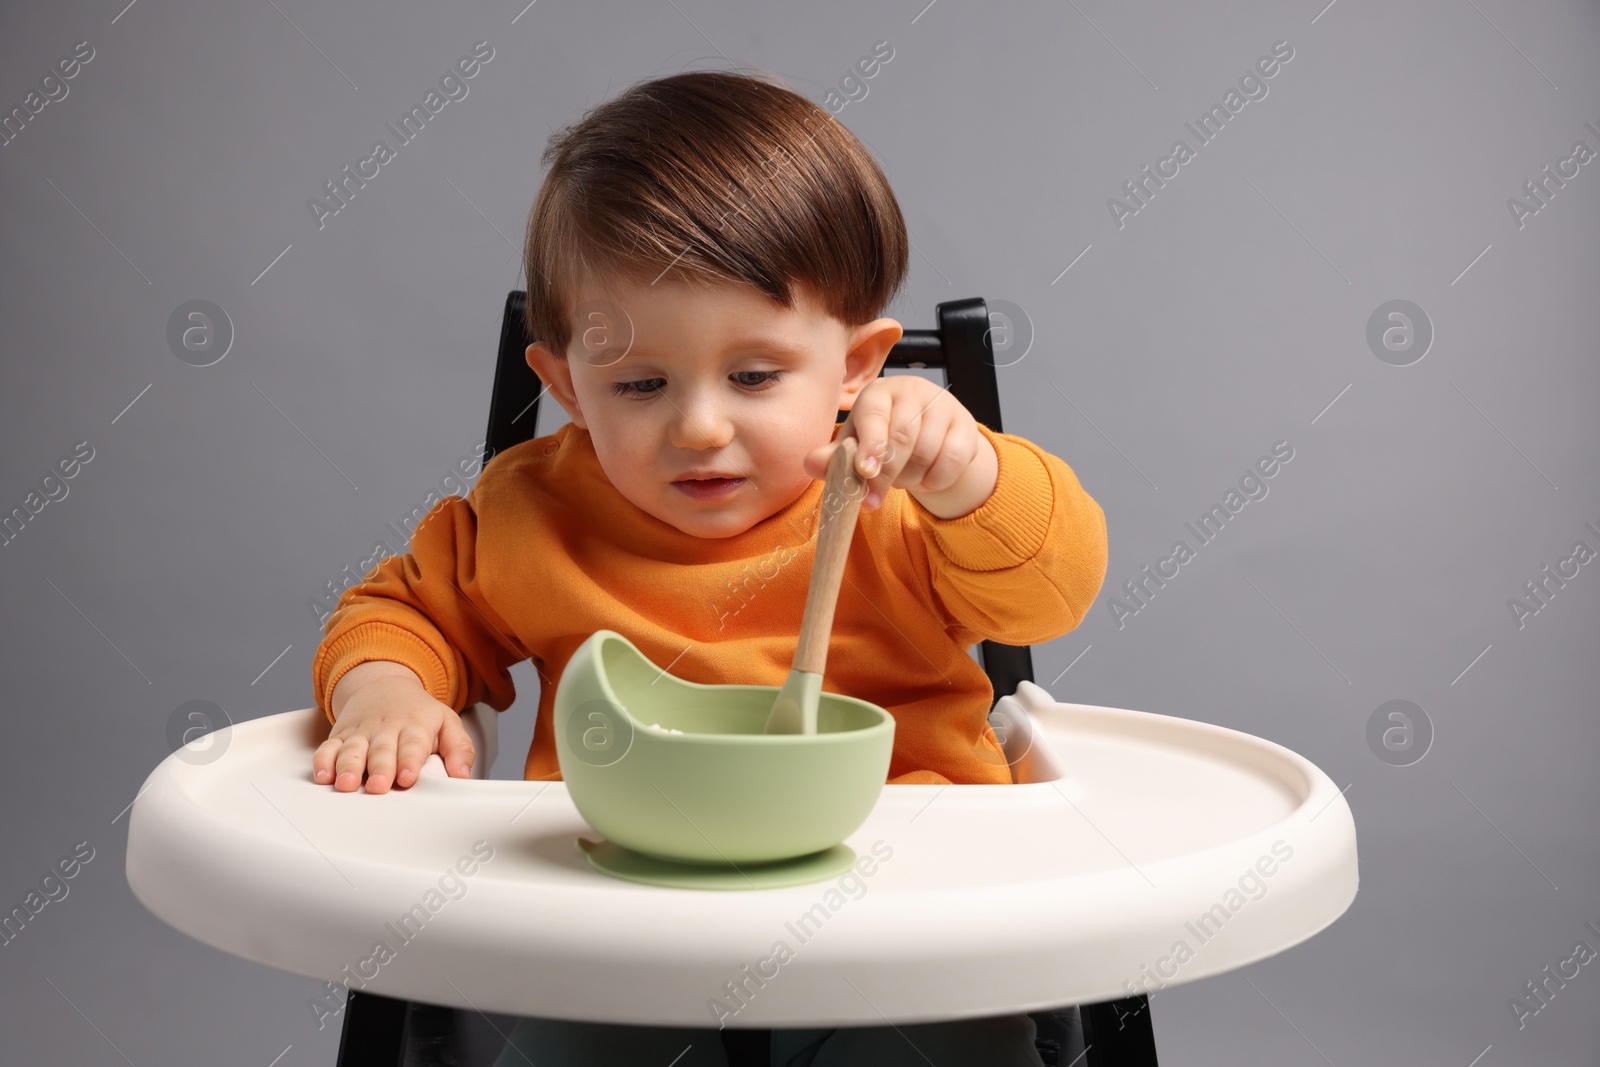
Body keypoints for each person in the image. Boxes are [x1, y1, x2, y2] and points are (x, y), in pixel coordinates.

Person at [309, 67, 1106, 1067]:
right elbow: (405, 612)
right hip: (620, 916)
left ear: (857, 366)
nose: (698, 425)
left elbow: (1052, 588)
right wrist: (383, 689)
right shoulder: (533, 511)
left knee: (945, 1044)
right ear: (563, 383)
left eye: (755, 375)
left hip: (903, 907)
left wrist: (972, 475)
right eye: (640, 383)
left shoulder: (897, 495)